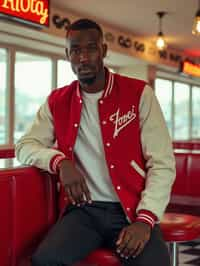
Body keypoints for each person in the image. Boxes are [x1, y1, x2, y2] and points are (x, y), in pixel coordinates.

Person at [16, 18, 176, 266]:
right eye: (76, 50)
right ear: (68, 55)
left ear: (103, 51)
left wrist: (145, 220)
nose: (83, 57)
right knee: (44, 259)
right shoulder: (58, 101)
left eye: (91, 48)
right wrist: (60, 163)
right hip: (83, 212)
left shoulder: (139, 94)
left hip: (131, 209)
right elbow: (25, 146)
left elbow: (162, 164)